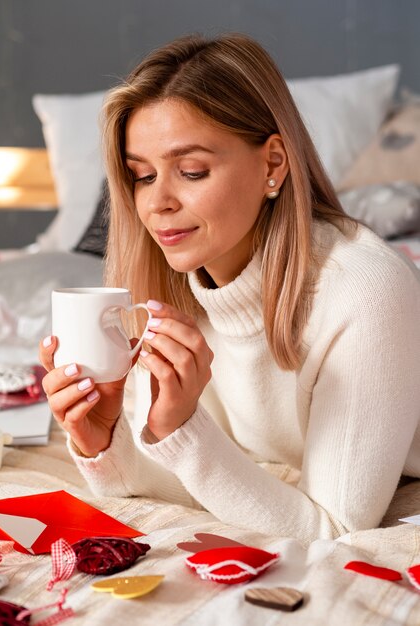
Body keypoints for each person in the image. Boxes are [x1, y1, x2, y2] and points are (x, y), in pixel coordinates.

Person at [40, 33, 420, 545]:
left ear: (273, 164)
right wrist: (104, 440)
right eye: (143, 176)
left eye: (191, 170)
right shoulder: (170, 282)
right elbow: (193, 480)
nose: (157, 204)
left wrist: (183, 432)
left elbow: (333, 531)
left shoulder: (366, 292)